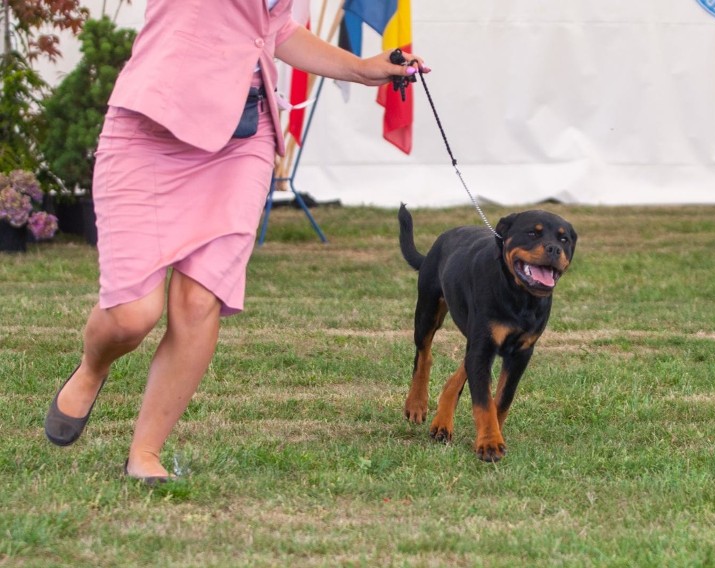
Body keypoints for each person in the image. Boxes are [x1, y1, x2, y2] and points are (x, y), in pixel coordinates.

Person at [44, 0, 429, 483]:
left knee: (200, 300)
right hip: (152, 128)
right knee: (131, 316)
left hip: (241, 140)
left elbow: (275, 29)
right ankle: (92, 367)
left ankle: (145, 452)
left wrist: (359, 67)